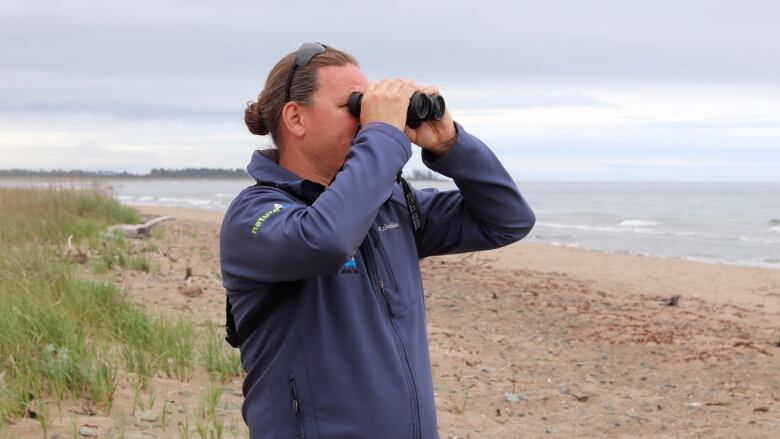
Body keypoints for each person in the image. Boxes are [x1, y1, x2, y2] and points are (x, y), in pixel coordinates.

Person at [219, 42, 535, 439]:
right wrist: (383, 134)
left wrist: (451, 145)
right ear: (296, 118)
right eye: (354, 106)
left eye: (369, 106)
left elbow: (508, 219)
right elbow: (326, 240)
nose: (366, 119)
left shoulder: (391, 208)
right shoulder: (253, 215)